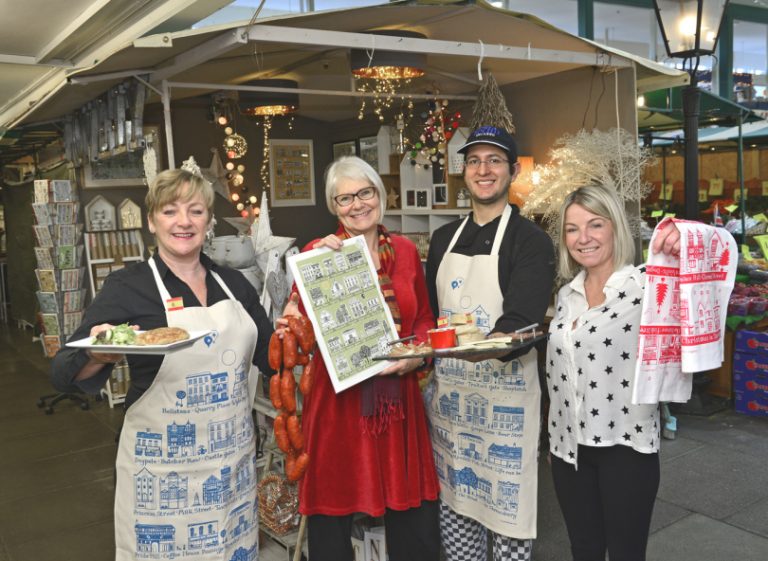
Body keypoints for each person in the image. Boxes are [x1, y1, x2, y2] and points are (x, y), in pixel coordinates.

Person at [51, 165, 275, 561]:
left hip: (230, 472)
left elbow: (272, 358)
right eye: (170, 211)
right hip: (160, 479)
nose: (184, 222)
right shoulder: (128, 287)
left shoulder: (235, 285)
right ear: (152, 221)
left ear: (208, 220)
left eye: (195, 211)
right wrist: (97, 354)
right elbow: (64, 372)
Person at [283, 156, 440, 561]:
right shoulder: (321, 253)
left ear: (380, 194)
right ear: (335, 207)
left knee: (413, 518)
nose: (357, 205)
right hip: (339, 404)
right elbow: (296, 322)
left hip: (398, 398)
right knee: (332, 517)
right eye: (344, 198)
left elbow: (422, 317)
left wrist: (415, 356)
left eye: (365, 193)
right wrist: (305, 288)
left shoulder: (404, 252)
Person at [425, 126, 555, 561]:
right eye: (475, 160)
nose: (484, 170)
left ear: (513, 171)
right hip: (451, 407)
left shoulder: (531, 241)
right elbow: (432, 314)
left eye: (495, 160)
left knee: (508, 526)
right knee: (457, 517)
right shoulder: (443, 240)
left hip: (507, 407)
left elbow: (521, 323)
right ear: (465, 173)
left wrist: (475, 344)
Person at [546, 184, 681, 561]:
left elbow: (706, 279)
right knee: (584, 550)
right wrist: (555, 440)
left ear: (616, 228)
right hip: (569, 449)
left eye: (595, 225)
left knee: (625, 554)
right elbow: (561, 377)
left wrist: (682, 240)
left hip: (626, 446)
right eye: (572, 229)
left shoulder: (645, 287)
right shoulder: (566, 294)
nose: (583, 238)